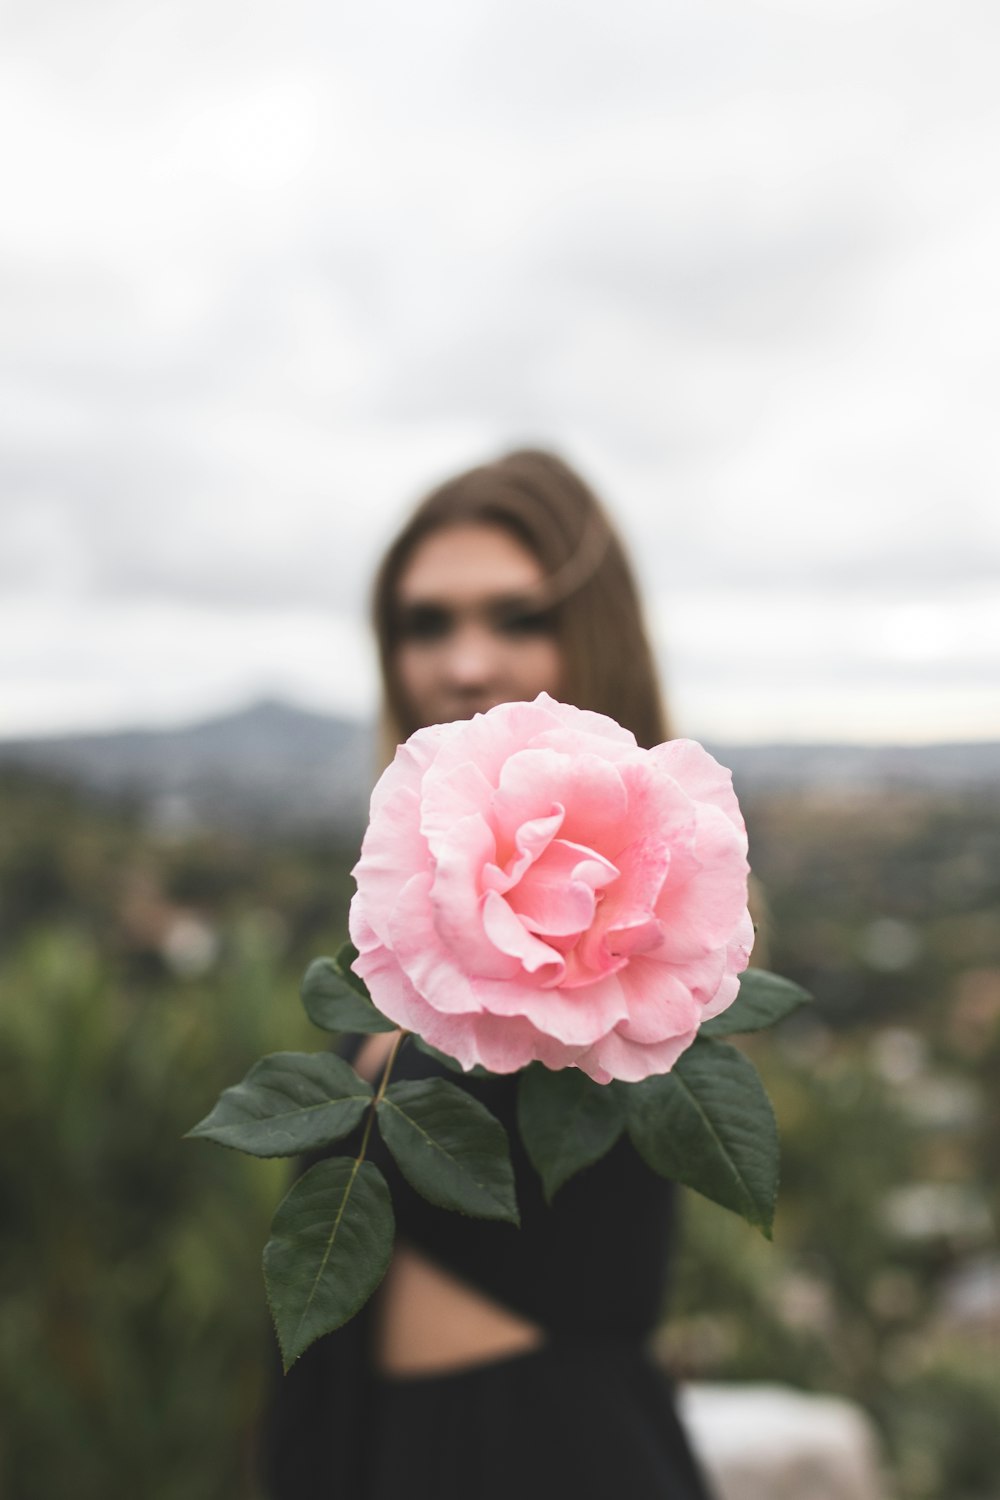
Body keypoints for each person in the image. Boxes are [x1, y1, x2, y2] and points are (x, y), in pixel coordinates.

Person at [261, 448, 717, 1499]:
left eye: (516, 616)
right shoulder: (413, 913)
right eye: (426, 622)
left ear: (595, 628)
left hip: (539, 1455)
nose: (465, 663)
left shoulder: (647, 922)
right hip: (382, 1442)